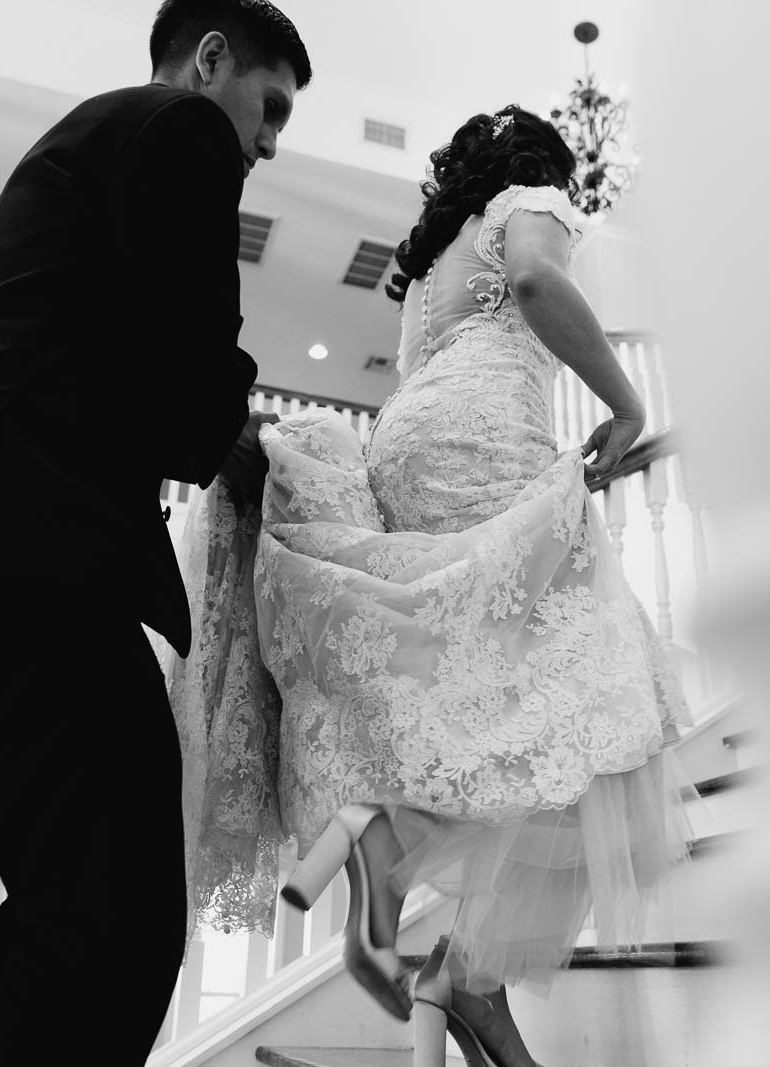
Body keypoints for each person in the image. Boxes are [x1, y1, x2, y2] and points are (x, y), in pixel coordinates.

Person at [0, 2, 310, 1063]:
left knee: (66, 906)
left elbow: (127, 356)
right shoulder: (176, 130)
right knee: (120, 918)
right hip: (22, 549)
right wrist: (243, 433)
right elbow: (189, 380)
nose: (269, 140)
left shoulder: (96, 141)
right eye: (269, 106)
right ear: (211, 58)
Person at [172, 105, 695, 1066]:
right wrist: (625, 402)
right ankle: (460, 963)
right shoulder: (533, 206)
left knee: (478, 691)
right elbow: (536, 279)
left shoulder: (428, 268)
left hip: (405, 445)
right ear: (544, 168)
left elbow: (437, 362)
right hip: (487, 437)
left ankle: (410, 907)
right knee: (616, 713)